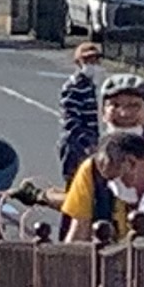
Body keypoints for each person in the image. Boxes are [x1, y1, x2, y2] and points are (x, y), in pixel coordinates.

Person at [58, 40, 107, 182]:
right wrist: (86, 143)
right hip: (74, 143)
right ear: (78, 63)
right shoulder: (73, 86)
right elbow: (70, 120)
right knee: (75, 183)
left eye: (95, 60)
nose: (93, 64)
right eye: (87, 61)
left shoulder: (90, 85)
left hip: (90, 141)